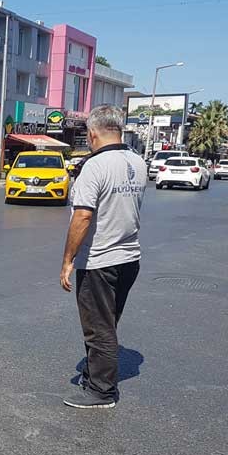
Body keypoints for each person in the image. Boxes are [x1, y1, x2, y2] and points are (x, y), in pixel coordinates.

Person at [59, 104, 147, 409]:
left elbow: (82, 217)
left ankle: (101, 390)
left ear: (92, 133)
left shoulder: (94, 167)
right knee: (108, 322)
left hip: (100, 260)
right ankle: (96, 374)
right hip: (129, 258)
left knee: (99, 327)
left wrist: (68, 259)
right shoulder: (137, 162)